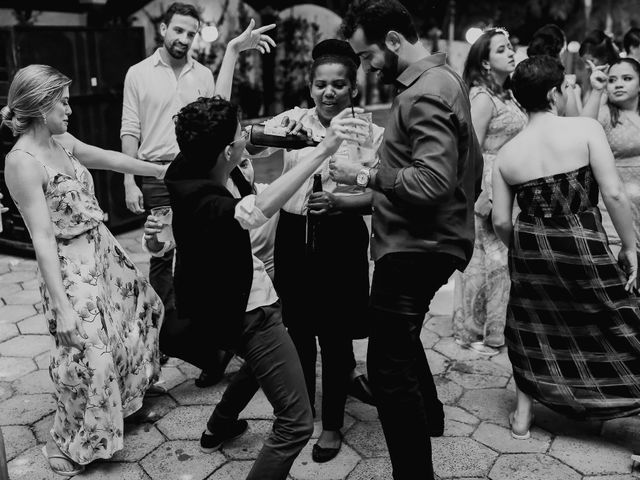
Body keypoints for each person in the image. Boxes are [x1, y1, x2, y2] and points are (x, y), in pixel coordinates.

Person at [164, 96, 368, 479]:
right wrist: (323, 149)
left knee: (267, 362)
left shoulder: (186, 164)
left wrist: (231, 53)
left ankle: (220, 424)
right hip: (247, 308)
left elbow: (218, 131)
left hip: (213, 303)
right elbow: (256, 209)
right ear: (226, 149)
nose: (248, 134)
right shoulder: (205, 201)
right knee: (295, 424)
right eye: (241, 133)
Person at [333, 1, 483, 478]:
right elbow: (466, 173)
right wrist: (356, 202)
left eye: (370, 56)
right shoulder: (445, 79)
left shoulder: (423, 93)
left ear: (394, 41)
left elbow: (432, 182)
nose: (369, 67)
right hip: (429, 240)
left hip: (417, 249)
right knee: (399, 349)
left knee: (388, 373)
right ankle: (431, 420)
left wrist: (364, 173)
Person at [0, 64, 166, 476]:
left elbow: (108, 158)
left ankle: (122, 408)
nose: (70, 109)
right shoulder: (21, 162)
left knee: (139, 317)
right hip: (70, 267)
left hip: (102, 250)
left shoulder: (63, 141)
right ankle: (69, 441)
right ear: (41, 106)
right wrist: (64, 307)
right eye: (64, 101)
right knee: (89, 355)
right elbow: (41, 239)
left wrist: (160, 170)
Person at [121, 2, 275, 386]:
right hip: (156, 176)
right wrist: (128, 179)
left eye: (191, 33)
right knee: (162, 261)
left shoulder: (203, 73)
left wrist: (233, 53)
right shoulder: (137, 74)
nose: (184, 39)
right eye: (178, 30)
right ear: (163, 28)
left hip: (202, 177)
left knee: (206, 258)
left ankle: (214, 345)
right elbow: (130, 129)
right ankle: (172, 344)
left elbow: (218, 113)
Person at [491, 55, 640, 442]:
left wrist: (525, 250)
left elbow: (502, 221)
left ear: (519, 99)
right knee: (618, 320)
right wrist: (630, 246)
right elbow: (613, 193)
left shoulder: (507, 154)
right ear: (555, 93)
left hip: (529, 247)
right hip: (581, 241)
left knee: (531, 326)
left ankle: (523, 418)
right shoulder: (585, 129)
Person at [252, 39, 382, 463]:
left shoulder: (369, 132)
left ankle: (332, 425)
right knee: (298, 330)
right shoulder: (294, 120)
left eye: (339, 85)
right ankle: (300, 416)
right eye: (321, 85)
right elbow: (249, 145)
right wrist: (273, 134)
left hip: (341, 236)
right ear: (310, 87)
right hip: (293, 232)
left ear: (352, 90)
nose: (329, 92)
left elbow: (382, 196)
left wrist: (347, 199)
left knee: (336, 334)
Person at [452, 28, 527, 356]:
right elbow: (471, 150)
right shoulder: (482, 97)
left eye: (510, 47)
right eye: (502, 49)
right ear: (484, 62)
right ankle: (476, 331)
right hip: (489, 185)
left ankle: (497, 329)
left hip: (509, 184)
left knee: (501, 260)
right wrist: (481, 194)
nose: (511, 53)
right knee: (487, 260)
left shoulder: (506, 94)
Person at [582, 57, 640, 252]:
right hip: (617, 206)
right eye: (612, 80)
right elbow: (583, 131)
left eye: (627, 78)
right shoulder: (606, 114)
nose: (618, 84)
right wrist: (597, 90)